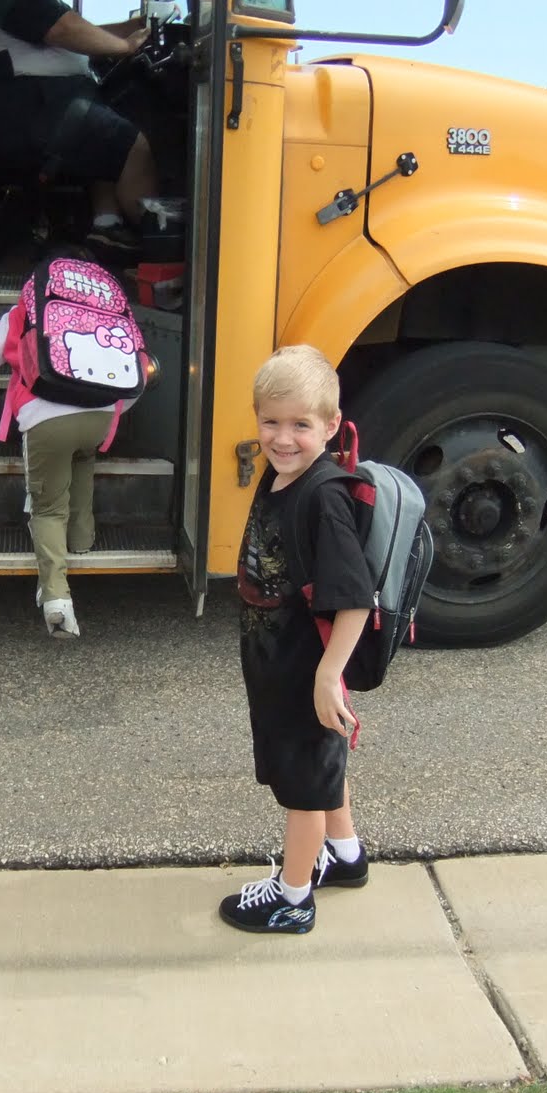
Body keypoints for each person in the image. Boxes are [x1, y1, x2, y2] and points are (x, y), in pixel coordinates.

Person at [221, 345, 375, 935]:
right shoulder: (283, 474)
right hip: (280, 662)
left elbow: (355, 597)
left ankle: (292, 896)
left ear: (331, 425)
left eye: (301, 426)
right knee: (318, 766)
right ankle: (345, 856)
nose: (283, 439)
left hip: (306, 670)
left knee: (303, 789)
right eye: (271, 422)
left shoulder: (323, 497)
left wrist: (326, 675)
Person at [0, 296, 129, 639]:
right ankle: (82, 541)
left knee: (48, 507)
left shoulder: (26, 309)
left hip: (46, 419)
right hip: (101, 413)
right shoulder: (105, 310)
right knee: (82, 462)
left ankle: (57, 601)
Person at [0, 0, 158, 253]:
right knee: (134, 148)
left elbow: (79, 31)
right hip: (21, 106)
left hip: (36, 99)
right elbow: (63, 30)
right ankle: (161, 245)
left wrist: (133, 27)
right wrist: (125, 45)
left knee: (106, 124)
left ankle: (106, 225)